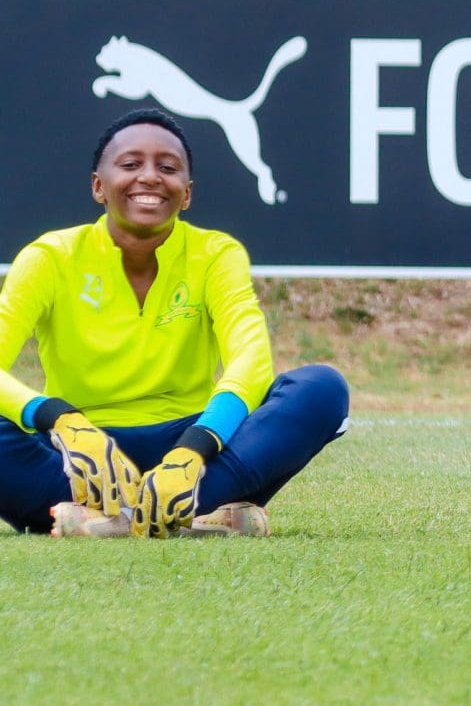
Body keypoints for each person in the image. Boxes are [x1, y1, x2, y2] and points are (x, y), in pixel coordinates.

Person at [0, 108, 350, 538]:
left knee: (321, 389)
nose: (149, 177)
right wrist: (60, 420)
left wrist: (194, 449)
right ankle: (197, 516)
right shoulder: (49, 257)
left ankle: (103, 521)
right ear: (98, 186)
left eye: (167, 168)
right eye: (130, 165)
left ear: (186, 194)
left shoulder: (216, 254)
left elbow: (251, 361)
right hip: (78, 459)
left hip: (194, 452)